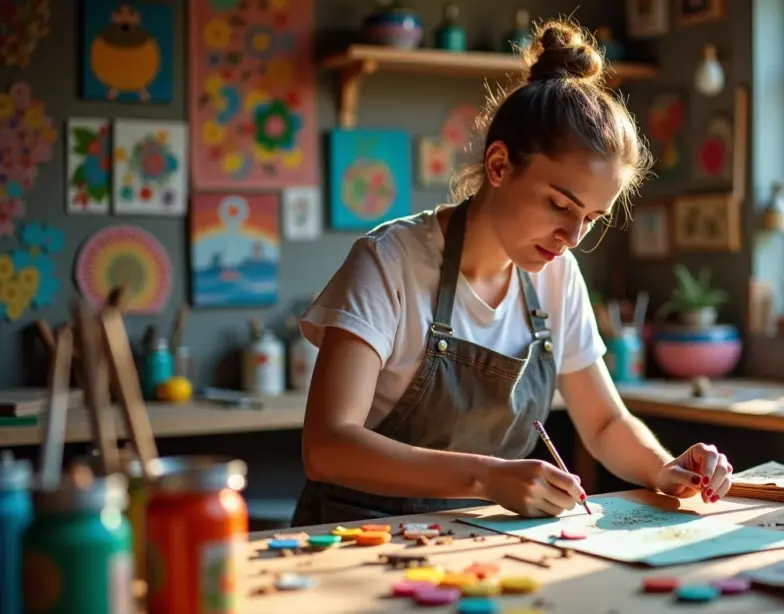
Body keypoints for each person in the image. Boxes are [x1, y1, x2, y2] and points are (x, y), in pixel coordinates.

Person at [290, 18, 733, 526]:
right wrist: (487, 478)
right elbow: (327, 445)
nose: (572, 238)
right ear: (499, 166)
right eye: (559, 204)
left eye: (591, 218)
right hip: (360, 537)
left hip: (479, 539)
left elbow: (605, 422)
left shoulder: (556, 276)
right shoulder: (389, 262)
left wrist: (664, 468)